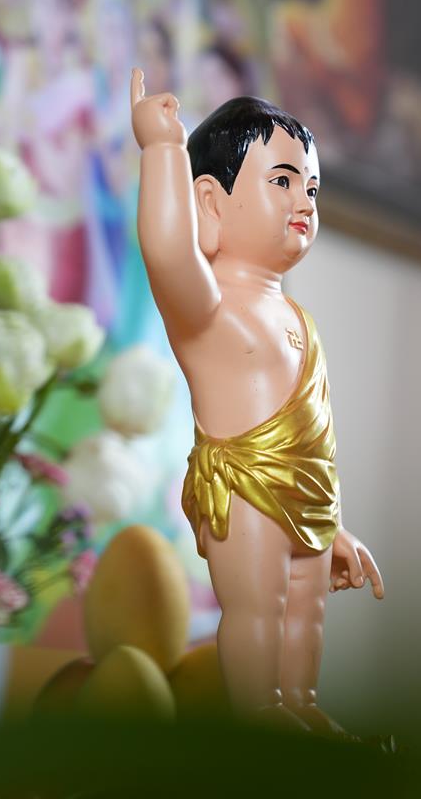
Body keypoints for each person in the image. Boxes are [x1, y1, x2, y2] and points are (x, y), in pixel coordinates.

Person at [130, 68, 384, 736]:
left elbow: (314, 435)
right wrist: (162, 149)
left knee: (305, 613)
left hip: (306, 497)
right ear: (210, 203)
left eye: (312, 187)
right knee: (259, 611)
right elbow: (166, 251)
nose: (304, 200)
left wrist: (334, 525)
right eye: (283, 181)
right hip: (244, 489)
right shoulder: (209, 308)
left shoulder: (298, 319)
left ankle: (300, 706)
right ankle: (261, 716)